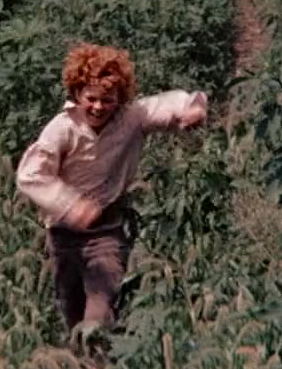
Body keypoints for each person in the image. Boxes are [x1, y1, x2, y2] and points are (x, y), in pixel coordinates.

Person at [15, 42, 208, 349]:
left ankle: (99, 368)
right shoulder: (62, 129)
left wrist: (191, 109)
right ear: (76, 93)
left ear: (120, 98)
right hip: (62, 235)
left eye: (107, 100)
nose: (98, 107)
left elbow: (165, 105)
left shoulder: (130, 118)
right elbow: (31, 175)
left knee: (101, 306)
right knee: (70, 309)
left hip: (106, 230)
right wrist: (71, 205)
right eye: (90, 98)